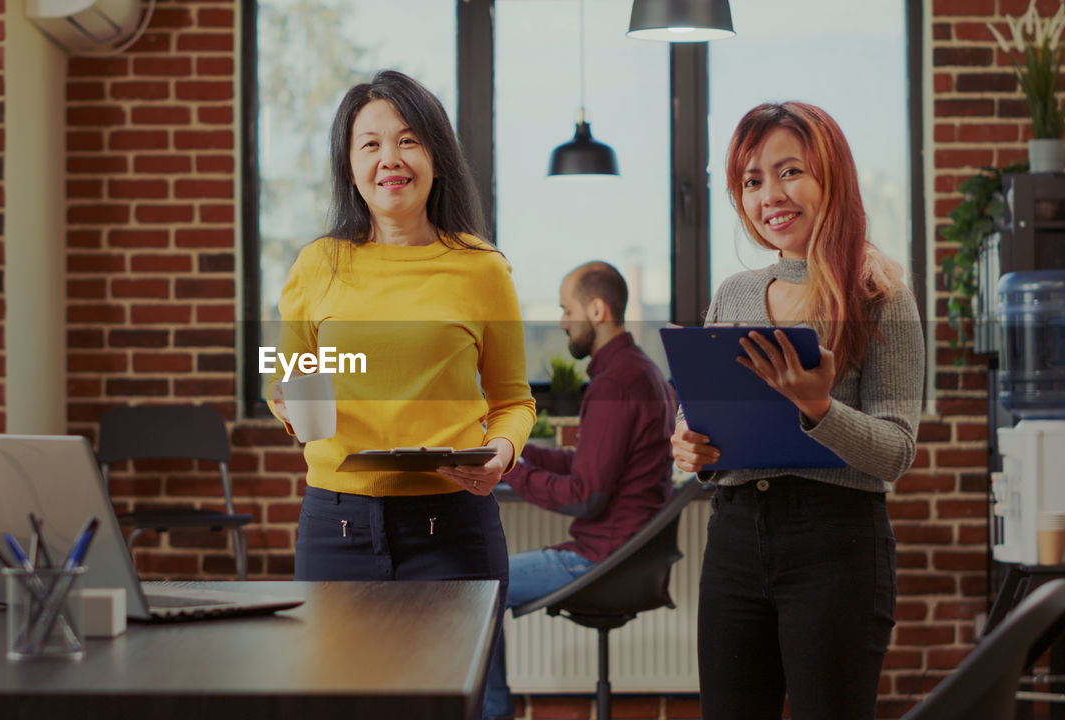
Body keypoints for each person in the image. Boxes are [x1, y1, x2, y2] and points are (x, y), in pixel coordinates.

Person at [669, 102, 923, 720]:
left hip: (836, 544)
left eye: (789, 172)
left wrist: (817, 406)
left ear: (829, 177)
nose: (770, 195)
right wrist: (690, 447)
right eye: (752, 181)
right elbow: (695, 420)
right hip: (733, 538)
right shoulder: (732, 294)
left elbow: (895, 453)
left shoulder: (879, 293)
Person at [267, 69, 535, 612]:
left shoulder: (482, 269)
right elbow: (286, 381)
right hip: (335, 524)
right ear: (351, 166)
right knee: (339, 697)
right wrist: (288, 405)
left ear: (436, 157)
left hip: (453, 525)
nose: (389, 158)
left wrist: (501, 454)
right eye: (371, 144)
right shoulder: (317, 264)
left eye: (407, 140)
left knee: (451, 699)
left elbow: (514, 401)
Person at [482, 261, 676, 720]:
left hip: (604, 558)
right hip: (628, 553)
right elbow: (593, 466)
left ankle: (492, 714)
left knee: (477, 586)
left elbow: (586, 495)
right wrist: (519, 457)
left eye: (567, 310)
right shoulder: (640, 371)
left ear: (596, 309)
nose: (563, 321)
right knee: (481, 582)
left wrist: (508, 473)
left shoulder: (616, 382)